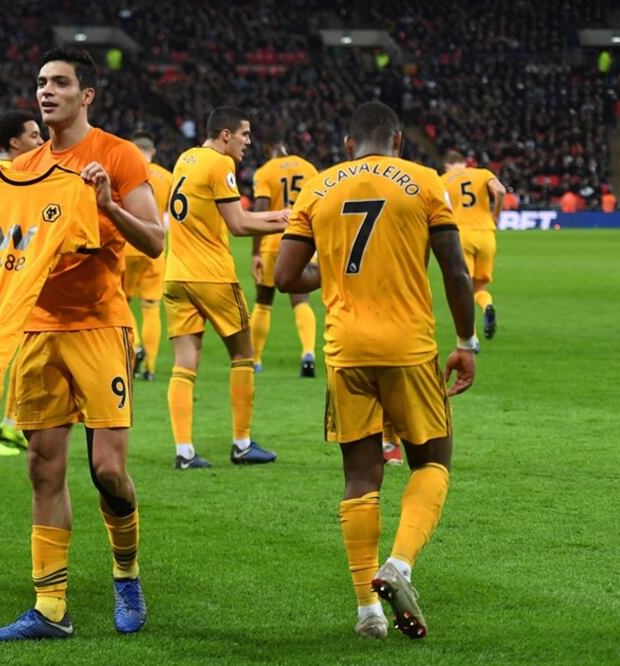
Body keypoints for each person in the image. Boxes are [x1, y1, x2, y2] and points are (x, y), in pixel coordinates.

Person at [0, 48, 163, 641]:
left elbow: (154, 241)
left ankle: (126, 572)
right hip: (41, 328)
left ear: (86, 94)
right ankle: (50, 609)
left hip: (100, 326)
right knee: (43, 467)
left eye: (61, 83)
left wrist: (108, 208)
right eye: (42, 83)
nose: (47, 92)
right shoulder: (25, 166)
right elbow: (5, 242)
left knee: (107, 471)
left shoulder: (117, 155)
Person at [275, 101, 476, 640]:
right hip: (409, 347)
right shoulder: (425, 182)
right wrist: (465, 341)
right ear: (398, 142)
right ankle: (401, 564)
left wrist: (334, 269)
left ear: (347, 144)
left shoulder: (317, 187)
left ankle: (368, 611)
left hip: (346, 350)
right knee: (432, 460)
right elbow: (456, 270)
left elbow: (286, 275)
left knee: (360, 477)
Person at [164, 107, 288, 470]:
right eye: (244, 134)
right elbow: (237, 225)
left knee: (185, 364)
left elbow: (231, 215)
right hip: (212, 276)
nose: (249, 142)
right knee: (244, 355)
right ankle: (242, 443)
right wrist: (284, 227)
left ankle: (184, 452)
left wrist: (278, 215)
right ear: (225, 135)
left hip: (177, 275)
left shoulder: (185, 160)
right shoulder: (220, 165)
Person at [0, 110, 45, 457]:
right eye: (33, 135)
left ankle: (12, 425)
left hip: (23, 277)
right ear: (14, 143)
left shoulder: (34, 176)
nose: (41, 140)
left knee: (22, 354)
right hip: (4, 278)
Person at [249, 129, 320, 376]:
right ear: (284, 145)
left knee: (263, 301)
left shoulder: (265, 172)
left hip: (274, 243)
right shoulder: (309, 168)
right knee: (301, 301)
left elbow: (260, 210)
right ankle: (308, 352)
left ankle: (255, 360)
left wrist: (255, 253)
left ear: (268, 150)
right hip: (304, 241)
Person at [123, 130, 172, 382]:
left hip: (128, 247)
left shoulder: (124, 171)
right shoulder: (167, 177)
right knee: (152, 308)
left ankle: (135, 345)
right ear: (152, 152)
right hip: (156, 249)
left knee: (120, 301)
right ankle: (150, 368)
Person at [442, 150, 506, 341]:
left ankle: (471, 338)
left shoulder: (441, 180)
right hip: (486, 235)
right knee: (479, 288)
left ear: (447, 166)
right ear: (465, 163)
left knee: (463, 289)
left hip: (461, 236)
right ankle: (487, 307)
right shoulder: (483, 173)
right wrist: (495, 216)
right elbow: (501, 191)